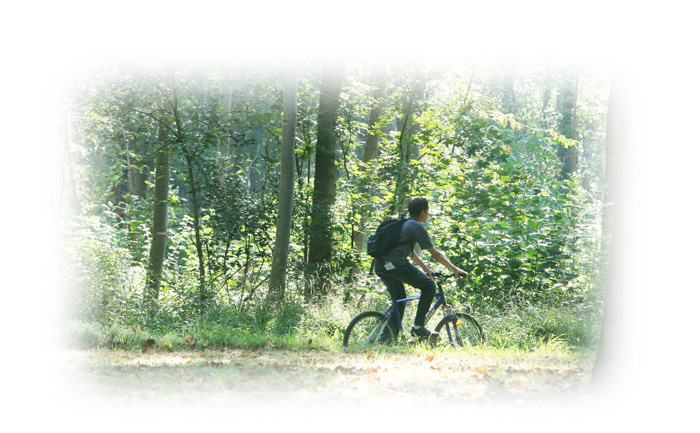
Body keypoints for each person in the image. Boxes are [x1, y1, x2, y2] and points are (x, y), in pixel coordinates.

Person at [374, 196, 467, 340]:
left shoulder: (404, 223)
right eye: (428, 211)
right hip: (394, 265)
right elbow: (436, 254)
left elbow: (410, 253)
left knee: (399, 300)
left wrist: (427, 270)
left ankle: (387, 341)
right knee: (429, 285)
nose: (428, 214)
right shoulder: (416, 226)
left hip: (382, 265)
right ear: (423, 211)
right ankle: (418, 327)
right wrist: (456, 270)